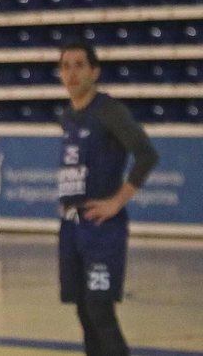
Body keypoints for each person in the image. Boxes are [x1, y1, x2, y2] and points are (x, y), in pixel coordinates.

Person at [57, 40, 158, 356]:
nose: (72, 73)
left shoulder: (109, 111)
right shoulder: (68, 116)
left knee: (101, 313)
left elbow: (146, 155)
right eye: (66, 66)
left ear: (94, 71)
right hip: (71, 227)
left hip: (101, 229)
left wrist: (117, 201)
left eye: (79, 65)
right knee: (85, 314)